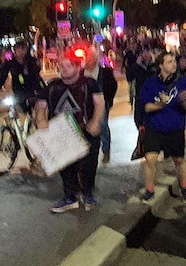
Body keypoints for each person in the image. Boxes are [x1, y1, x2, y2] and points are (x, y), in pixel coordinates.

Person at [34, 51, 105, 212]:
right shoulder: (53, 86)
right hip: (62, 133)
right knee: (66, 167)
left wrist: (95, 121)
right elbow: (41, 105)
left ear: (78, 67)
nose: (63, 69)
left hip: (85, 132)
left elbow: (100, 104)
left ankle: (87, 193)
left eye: (68, 66)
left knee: (88, 165)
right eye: (61, 66)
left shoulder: (90, 83)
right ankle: (69, 197)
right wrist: (41, 120)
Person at [138, 52, 186, 204]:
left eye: (174, 61)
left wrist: (184, 102)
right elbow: (147, 107)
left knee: (179, 160)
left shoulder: (183, 82)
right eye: (169, 62)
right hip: (154, 127)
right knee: (150, 158)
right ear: (161, 65)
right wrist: (161, 104)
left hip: (174, 128)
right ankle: (149, 190)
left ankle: (185, 187)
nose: (174, 64)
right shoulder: (150, 84)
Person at [84, 46, 118, 164]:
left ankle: (106, 150)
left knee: (103, 125)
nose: (89, 61)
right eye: (88, 58)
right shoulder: (82, 73)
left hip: (102, 103)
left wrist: (108, 100)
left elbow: (113, 86)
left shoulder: (105, 72)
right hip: (87, 105)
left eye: (92, 58)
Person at [0, 40, 45, 114]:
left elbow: (36, 75)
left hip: (34, 89)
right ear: (14, 51)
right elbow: (2, 76)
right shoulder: (10, 63)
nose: (21, 52)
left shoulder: (31, 61)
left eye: (22, 49)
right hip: (19, 91)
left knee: (39, 110)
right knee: (24, 111)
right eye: (18, 49)